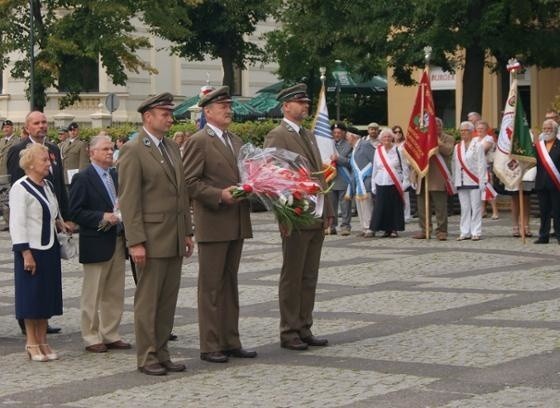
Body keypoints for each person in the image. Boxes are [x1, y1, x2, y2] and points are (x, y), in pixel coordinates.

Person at [118, 92, 194, 376]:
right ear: (148, 117)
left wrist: (187, 231)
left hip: (173, 236)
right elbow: (129, 199)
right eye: (164, 113)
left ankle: (162, 352)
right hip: (150, 238)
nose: (170, 118)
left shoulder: (172, 147)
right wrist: (135, 241)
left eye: (169, 113)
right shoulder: (134, 148)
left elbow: (182, 193)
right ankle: (147, 356)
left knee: (167, 300)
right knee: (148, 301)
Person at [183, 86, 256, 363]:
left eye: (229, 105)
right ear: (207, 111)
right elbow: (189, 182)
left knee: (230, 283)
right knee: (211, 286)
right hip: (213, 220)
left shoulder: (236, 140)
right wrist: (218, 195)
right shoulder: (199, 140)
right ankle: (210, 344)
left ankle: (230, 339)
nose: (228, 109)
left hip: (236, 220)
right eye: (222, 106)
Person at [264, 83, 334, 351]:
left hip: (314, 213)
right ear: (286, 106)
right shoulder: (277, 135)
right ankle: (289, 329)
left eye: (306, 102)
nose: (305, 106)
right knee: (292, 275)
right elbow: (273, 178)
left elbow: (318, 175)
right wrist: (283, 215)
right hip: (294, 214)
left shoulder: (309, 134)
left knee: (309, 275)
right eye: (299, 102)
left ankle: (305, 325)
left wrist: (327, 210)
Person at [7, 111, 69, 335]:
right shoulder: (18, 151)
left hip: (50, 226)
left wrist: (64, 215)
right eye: (36, 123)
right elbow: (19, 187)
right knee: (32, 286)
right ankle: (28, 325)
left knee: (46, 284)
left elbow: (58, 185)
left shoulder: (52, 150)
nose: (42, 126)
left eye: (44, 122)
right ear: (27, 127)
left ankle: (42, 322)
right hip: (32, 228)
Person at [69, 135, 131, 353]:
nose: (109, 152)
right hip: (96, 241)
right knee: (93, 293)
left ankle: (110, 332)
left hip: (117, 239)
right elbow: (75, 211)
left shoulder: (115, 175)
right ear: (91, 152)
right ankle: (91, 335)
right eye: (104, 148)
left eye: (111, 148)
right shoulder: (83, 177)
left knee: (114, 292)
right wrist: (101, 216)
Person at [411, 118, 455, 240]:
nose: (435, 127)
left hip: (438, 177)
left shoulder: (448, 138)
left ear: (442, 126)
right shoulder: (423, 138)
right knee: (422, 207)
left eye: (438, 125)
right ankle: (425, 229)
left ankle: (442, 231)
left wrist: (438, 143)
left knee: (440, 207)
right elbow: (416, 156)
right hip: (423, 175)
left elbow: (448, 151)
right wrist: (414, 173)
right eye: (432, 125)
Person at [369, 128, 409, 237]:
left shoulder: (398, 150)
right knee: (381, 206)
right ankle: (385, 229)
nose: (386, 139)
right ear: (381, 139)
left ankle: (394, 229)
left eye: (388, 137)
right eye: (384, 137)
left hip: (394, 182)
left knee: (394, 206)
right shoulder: (378, 151)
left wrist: (405, 183)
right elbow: (375, 168)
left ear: (392, 138)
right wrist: (373, 184)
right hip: (380, 181)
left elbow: (405, 168)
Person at [452, 121, 486, 241]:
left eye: (465, 130)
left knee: (476, 207)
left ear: (472, 132)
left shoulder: (478, 145)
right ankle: (464, 231)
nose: (463, 133)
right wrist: (453, 180)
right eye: (461, 131)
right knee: (464, 208)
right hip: (461, 181)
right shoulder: (457, 147)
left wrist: (482, 181)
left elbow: (482, 164)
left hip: (474, 180)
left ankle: (476, 231)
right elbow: (454, 164)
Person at [534, 119, 560, 244]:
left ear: (555, 130)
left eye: (549, 129)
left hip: (556, 184)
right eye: (545, 129)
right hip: (541, 183)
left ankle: (559, 234)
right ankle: (543, 236)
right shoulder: (539, 146)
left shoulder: (559, 144)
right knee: (544, 211)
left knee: (557, 211)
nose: (547, 131)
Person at [346, 129, 375, 237]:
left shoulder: (365, 145)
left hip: (366, 180)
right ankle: (364, 227)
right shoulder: (354, 148)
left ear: (353, 136)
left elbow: (374, 160)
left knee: (367, 206)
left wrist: (370, 176)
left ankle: (370, 229)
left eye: (348, 136)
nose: (347, 138)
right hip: (358, 182)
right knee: (360, 206)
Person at [327, 122, 352, 236]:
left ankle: (345, 226)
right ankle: (331, 226)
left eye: (339, 132)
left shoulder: (349, 145)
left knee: (345, 205)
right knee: (331, 205)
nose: (336, 134)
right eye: (334, 132)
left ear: (343, 133)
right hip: (330, 179)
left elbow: (350, 162)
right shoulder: (328, 145)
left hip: (343, 178)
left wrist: (338, 158)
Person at [477, 121, 499, 220]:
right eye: (478, 128)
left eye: (482, 128)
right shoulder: (475, 139)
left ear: (486, 130)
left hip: (486, 167)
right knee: (480, 189)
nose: (480, 130)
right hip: (476, 168)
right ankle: (483, 211)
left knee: (488, 188)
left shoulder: (489, 139)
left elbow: (483, 150)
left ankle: (495, 211)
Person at [392, 125, 412, 223]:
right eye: (395, 132)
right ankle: (397, 214)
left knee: (405, 194)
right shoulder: (391, 145)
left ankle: (406, 215)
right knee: (395, 195)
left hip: (404, 171)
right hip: (393, 172)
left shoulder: (405, 144)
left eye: (399, 132)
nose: (397, 133)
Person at [0, 120, 18, 229]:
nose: (6, 129)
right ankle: (7, 221)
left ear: (12, 128)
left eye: (8, 127)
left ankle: (12, 221)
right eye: (4, 128)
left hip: (10, 172)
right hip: (1, 172)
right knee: (3, 198)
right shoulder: (1, 141)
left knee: (10, 198)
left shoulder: (16, 141)